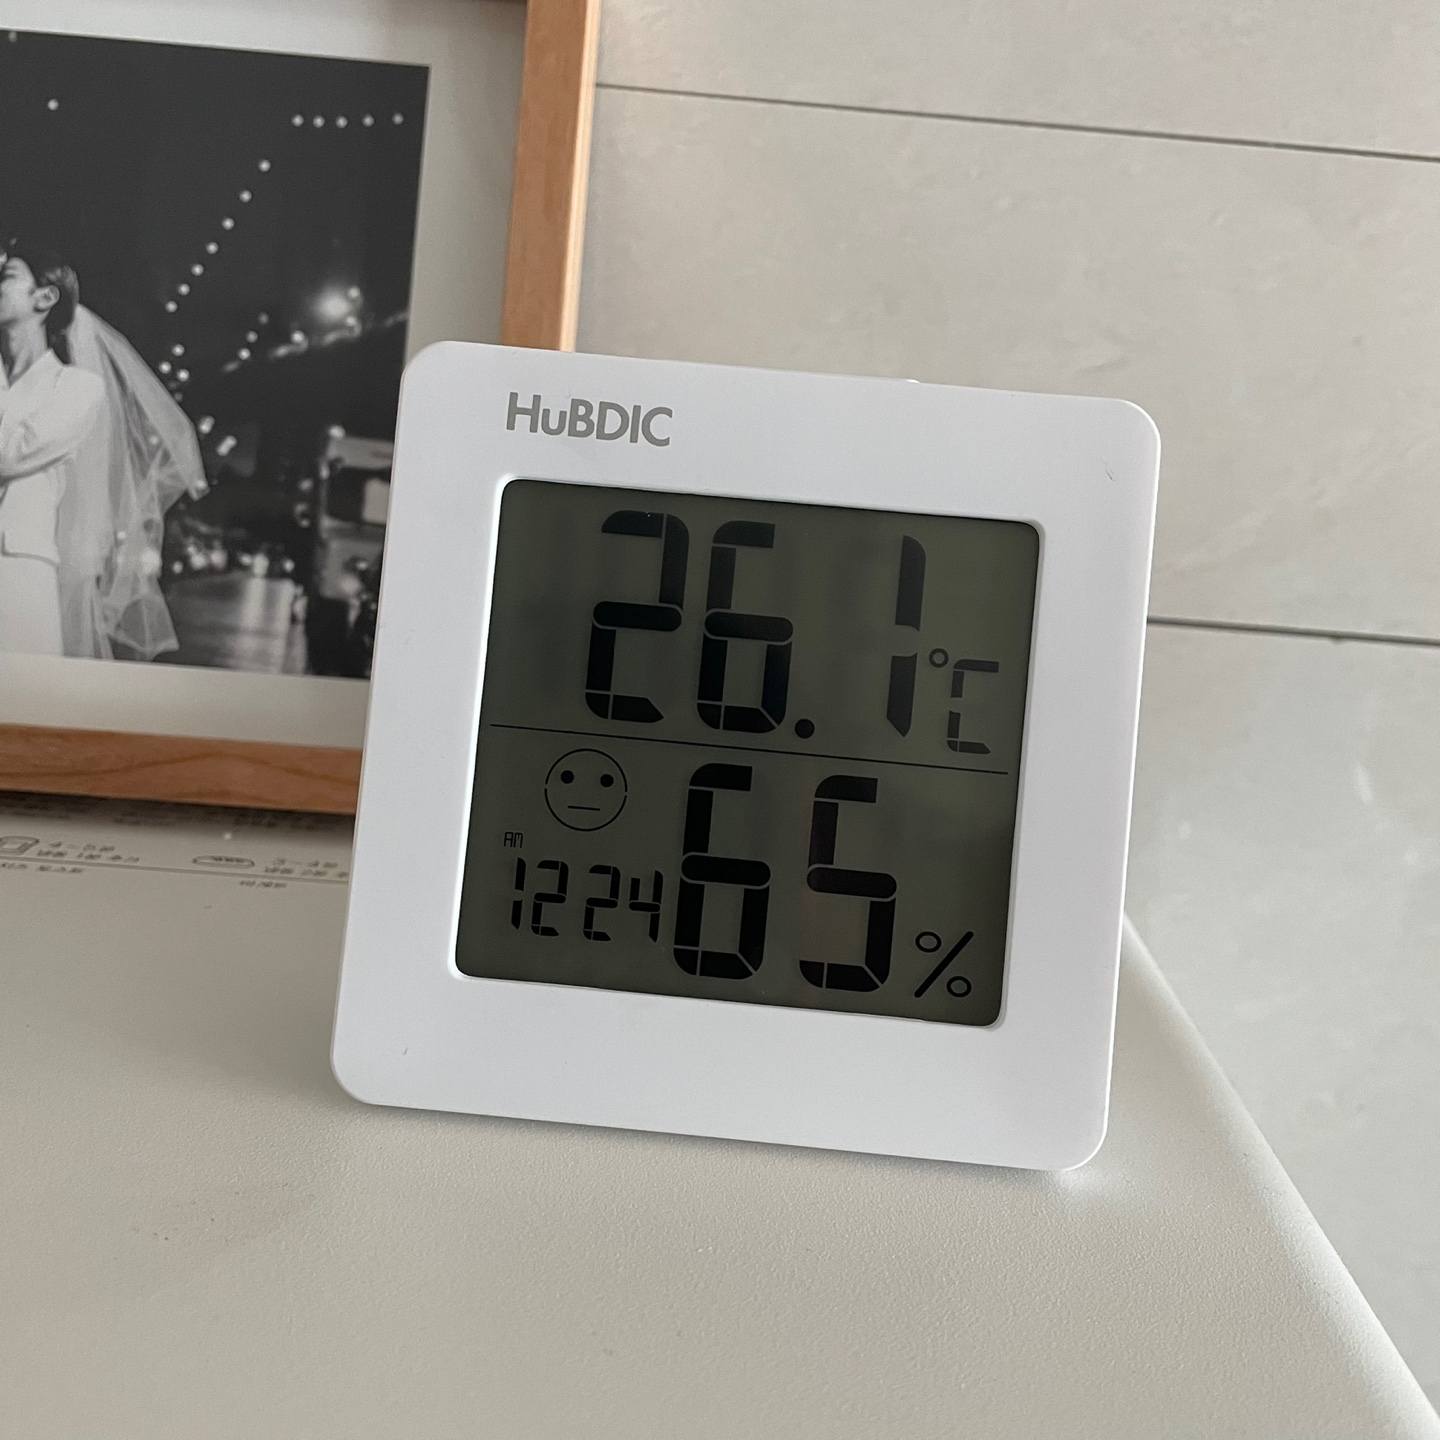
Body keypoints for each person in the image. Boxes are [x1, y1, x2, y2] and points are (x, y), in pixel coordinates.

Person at [0, 249, 104, 655]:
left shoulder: (78, 388)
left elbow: (10, 453)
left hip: (18, 577)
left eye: (5, 276)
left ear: (44, 298)